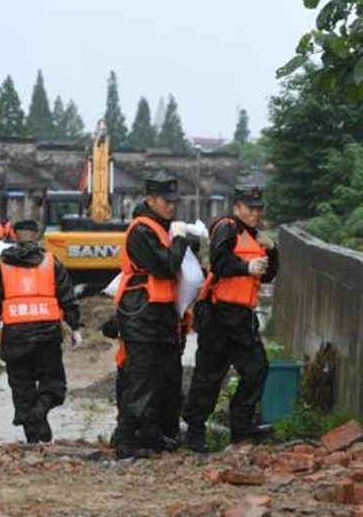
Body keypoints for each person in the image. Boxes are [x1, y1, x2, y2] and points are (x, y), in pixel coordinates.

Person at [184, 184, 279, 453]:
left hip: (242, 317)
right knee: (209, 376)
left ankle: (241, 427)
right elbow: (220, 262)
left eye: (259, 209)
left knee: (257, 368)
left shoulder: (255, 237)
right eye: (251, 208)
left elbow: (269, 275)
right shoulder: (227, 228)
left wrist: (272, 251)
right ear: (237, 207)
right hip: (219, 315)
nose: (256, 213)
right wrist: (246, 267)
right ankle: (195, 433)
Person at [0, 219, 82, 444]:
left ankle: (33, 439)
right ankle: (40, 413)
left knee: (22, 389)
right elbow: (68, 296)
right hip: (47, 335)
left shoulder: (3, 265)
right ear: (38, 235)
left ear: (14, 236)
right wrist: (75, 327)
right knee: (54, 385)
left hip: (14, 336)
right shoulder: (50, 262)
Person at [113, 177, 188, 459]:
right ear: (150, 200)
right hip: (141, 314)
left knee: (165, 378)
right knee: (141, 379)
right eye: (166, 202)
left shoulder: (161, 229)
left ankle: (151, 433)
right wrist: (180, 240)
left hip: (161, 315)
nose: (171, 207)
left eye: (174, 202)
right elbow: (166, 266)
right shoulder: (142, 230)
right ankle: (124, 440)